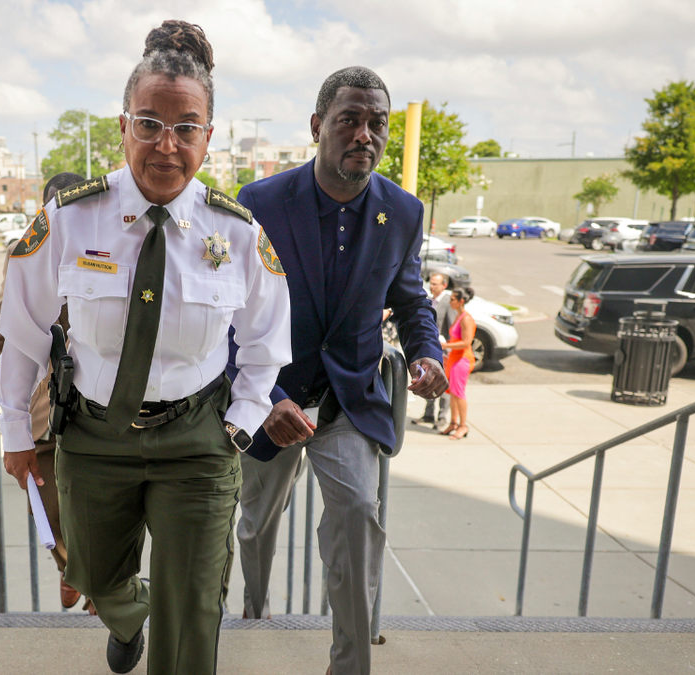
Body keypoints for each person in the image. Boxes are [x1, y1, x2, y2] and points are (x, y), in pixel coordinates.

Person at [0, 20, 291, 675]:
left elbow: (268, 341)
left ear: (208, 138)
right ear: (123, 124)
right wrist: (17, 429)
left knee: (192, 606)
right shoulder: (71, 217)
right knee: (94, 575)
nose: (167, 143)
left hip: (198, 439)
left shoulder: (236, 233)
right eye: (149, 123)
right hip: (95, 436)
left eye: (187, 126)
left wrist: (239, 425)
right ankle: (127, 615)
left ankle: (168, 620)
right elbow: (22, 328)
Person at [229, 66, 448, 675]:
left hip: (349, 398)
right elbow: (231, 314)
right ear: (317, 126)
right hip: (271, 398)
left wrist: (427, 354)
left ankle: (349, 665)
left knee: (356, 514)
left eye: (376, 122)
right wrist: (266, 395)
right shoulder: (261, 203)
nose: (364, 134)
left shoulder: (402, 212)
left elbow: (410, 302)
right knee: (254, 522)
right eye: (349, 119)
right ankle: (252, 611)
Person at [0, 171, 85, 610]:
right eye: (51, 211)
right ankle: (71, 569)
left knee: (103, 503)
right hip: (45, 398)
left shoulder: (109, 247)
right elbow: (3, 316)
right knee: (45, 500)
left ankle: (100, 581)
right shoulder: (25, 251)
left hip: (100, 395)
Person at [416, 272, 452, 432]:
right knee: (428, 380)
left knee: (442, 385)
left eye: (435, 284)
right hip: (430, 349)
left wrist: (449, 346)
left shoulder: (448, 302)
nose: (431, 286)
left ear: (444, 285)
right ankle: (428, 414)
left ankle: (442, 417)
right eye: (430, 283)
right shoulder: (430, 300)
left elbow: (452, 327)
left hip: (444, 351)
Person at [442, 286, 476, 440]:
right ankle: (453, 423)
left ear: (461, 301)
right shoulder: (458, 316)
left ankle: (463, 426)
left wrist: (444, 346)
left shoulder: (466, 318)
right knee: (453, 393)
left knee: (459, 393)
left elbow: (466, 342)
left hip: (462, 359)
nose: (450, 302)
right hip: (453, 358)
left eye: (452, 299)